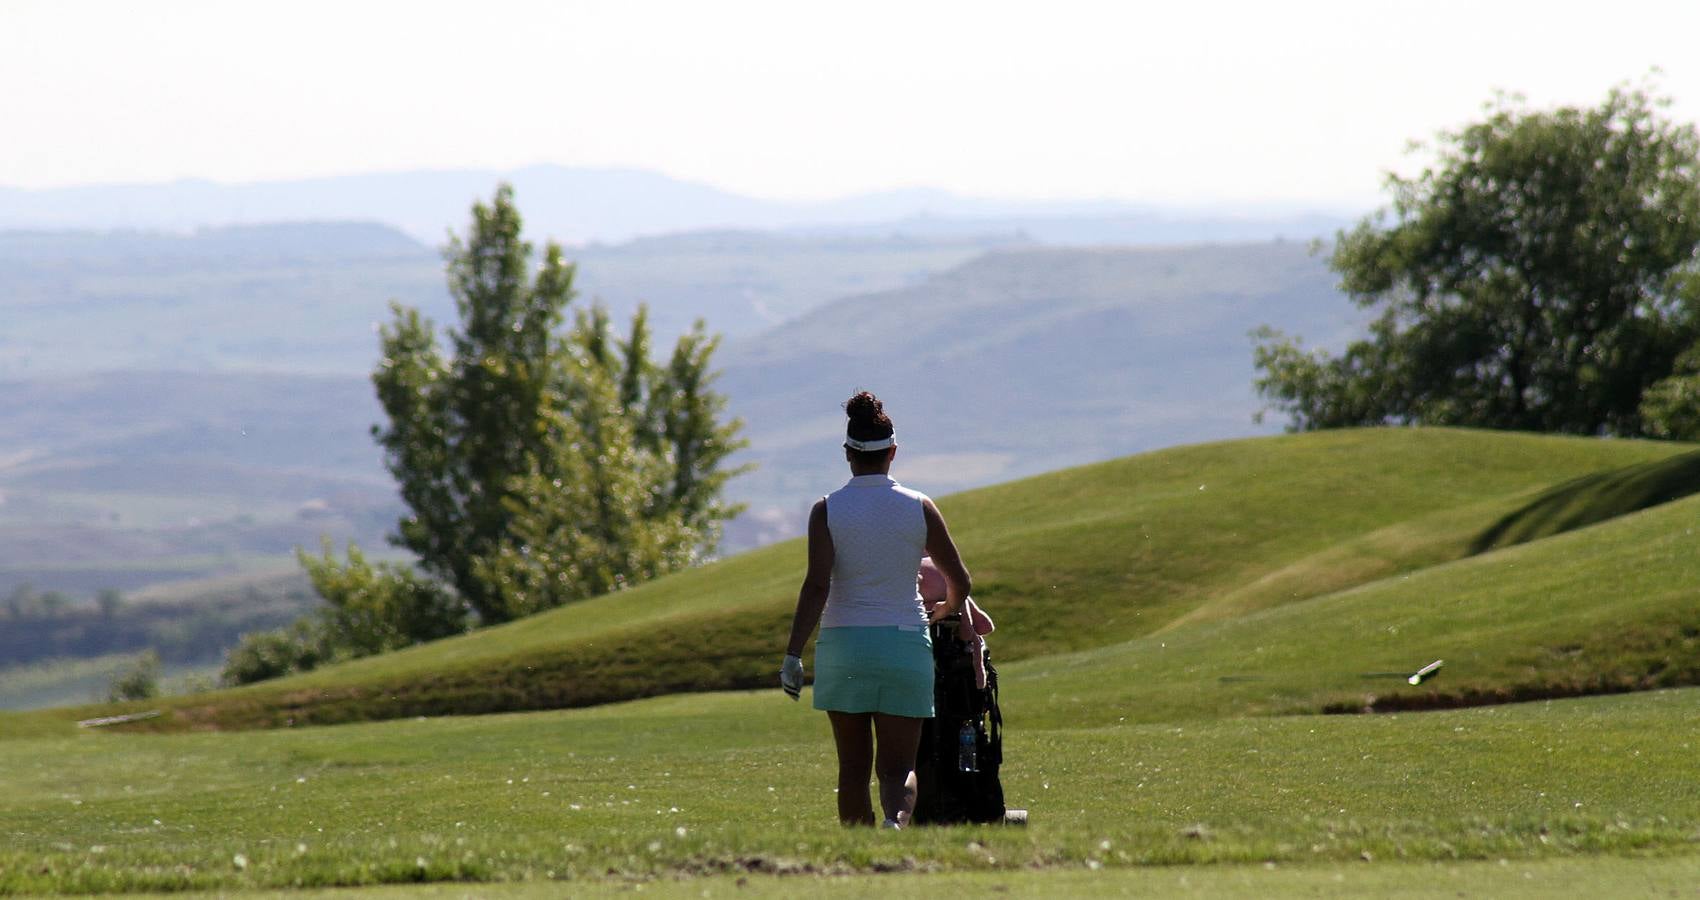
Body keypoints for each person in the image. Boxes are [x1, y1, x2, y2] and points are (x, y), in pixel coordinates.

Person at [781, 391, 972, 829]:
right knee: (897, 767)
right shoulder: (919, 506)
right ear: (893, 452)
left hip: (844, 644)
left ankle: (858, 857)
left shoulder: (826, 510)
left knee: (852, 770)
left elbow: (816, 585)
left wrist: (792, 654)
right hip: (904, 644)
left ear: (847, 454)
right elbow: (960, 579)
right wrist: (946, 608)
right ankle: (896, 826)